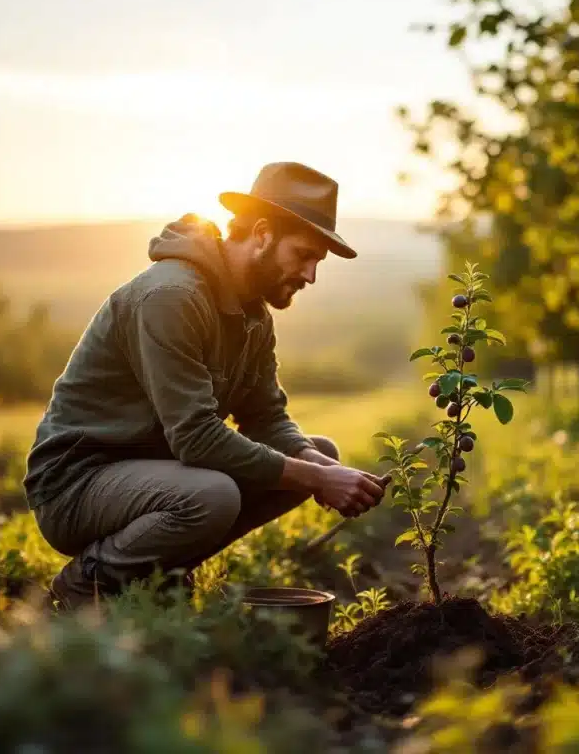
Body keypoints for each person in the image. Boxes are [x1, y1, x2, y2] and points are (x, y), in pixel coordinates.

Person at [23, 162, 386, 609]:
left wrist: (320, 469)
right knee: (214, 494)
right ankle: (86, 585)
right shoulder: (172, 297)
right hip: (77, 484)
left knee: (320, 452)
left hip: (154, 478)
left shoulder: (253, 314)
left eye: (317, 263)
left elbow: (265, 417)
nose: (310, 275)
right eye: (303, 255)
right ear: (262, 233)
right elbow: (196, 439)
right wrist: (316, 479)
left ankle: (161, 574)